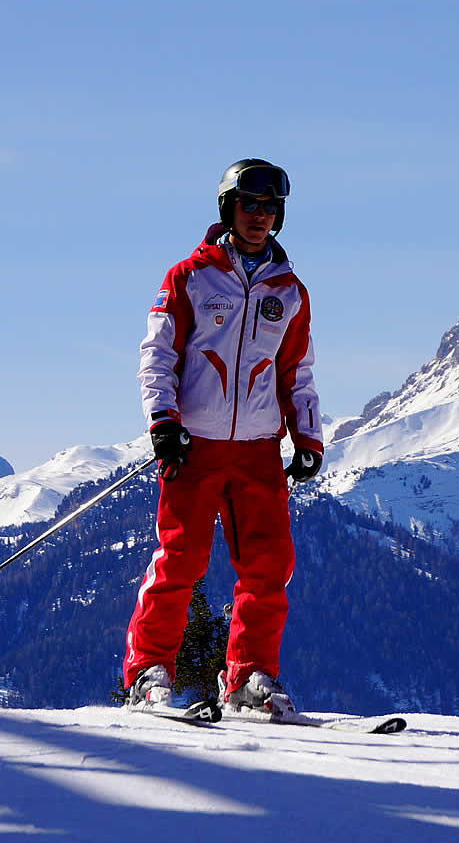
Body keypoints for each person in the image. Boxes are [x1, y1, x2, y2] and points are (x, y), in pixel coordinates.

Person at [123, 158, 324, 717]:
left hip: (258, 447)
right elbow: (158, 354)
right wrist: (163, 421)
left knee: (268, 565)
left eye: (270, 208)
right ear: (227, 209)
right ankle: (149, 673)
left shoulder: (290, 292)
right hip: (195, 444)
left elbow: (297, 371)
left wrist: (307, 437)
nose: (259, 216)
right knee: (180, 559)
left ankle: (248, 677)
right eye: (249, 205)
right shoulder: (190, 276)